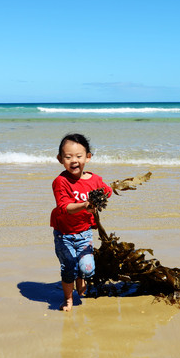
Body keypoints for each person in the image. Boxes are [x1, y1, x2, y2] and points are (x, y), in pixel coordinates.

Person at [50, 133, 112, 311]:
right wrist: (85, 205)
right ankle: (68, 299)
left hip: (84, 232)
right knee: (69, 266)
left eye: (79, 156)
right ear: (60, 159)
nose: (74, 160)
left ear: (88, 157)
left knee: (87, 269)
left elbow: (106, 191)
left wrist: (101, 198)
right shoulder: (60, 182)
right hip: (64, 233)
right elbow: (64, 207)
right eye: (68, 157)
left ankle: (81, 277)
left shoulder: (95, 180)